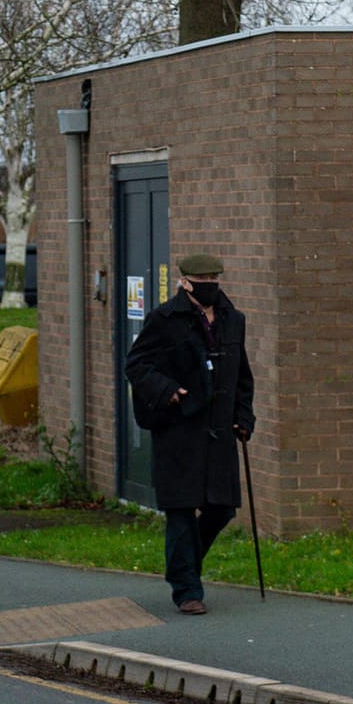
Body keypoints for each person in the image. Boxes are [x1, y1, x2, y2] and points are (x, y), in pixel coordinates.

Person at [125, 253, 255, 616]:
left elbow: (242, 375)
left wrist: (244, 416)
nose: (210, 283)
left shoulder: (233, 321)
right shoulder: (164, 320)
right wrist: (168, 391)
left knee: (221, 509)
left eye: (215, 277)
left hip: (219, 433)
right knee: (181, 511)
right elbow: (136, 365)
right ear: (185, 282)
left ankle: (182, 565)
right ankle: (186, 590)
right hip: (179, 431)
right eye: (203, 278)